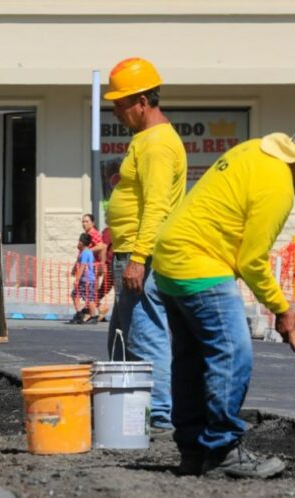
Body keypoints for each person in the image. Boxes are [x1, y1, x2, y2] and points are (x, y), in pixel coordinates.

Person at [152, 120, 295, 478]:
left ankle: (193, 452)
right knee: (233, 354)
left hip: (169, 260)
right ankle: (222, 451)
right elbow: (252, 260)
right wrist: (282, 308)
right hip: (201, 265)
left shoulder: (253, 150)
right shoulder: (277, 185)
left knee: (191, 361)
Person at [103, 57, 188, 436]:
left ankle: (160, 417)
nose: (116, 112)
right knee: (123, 341)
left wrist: (138, 258)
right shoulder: (146, 141)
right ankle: (126, 414)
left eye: (120, 104)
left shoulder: (156, 144)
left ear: (141, 101)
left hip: (143, 260)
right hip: (131, 255)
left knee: (145, 338)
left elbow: (157, 206)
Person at [69, 233, 97, 324]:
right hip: (89, 279)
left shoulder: (85, 253)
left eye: (79, 241)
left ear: (81, 242)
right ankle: (92, 316)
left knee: (76, 295)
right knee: (88, 297)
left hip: (85, 280)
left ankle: (80, 315)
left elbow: (83, 266)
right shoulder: (89, 252)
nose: (78, 243)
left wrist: (77, 279)